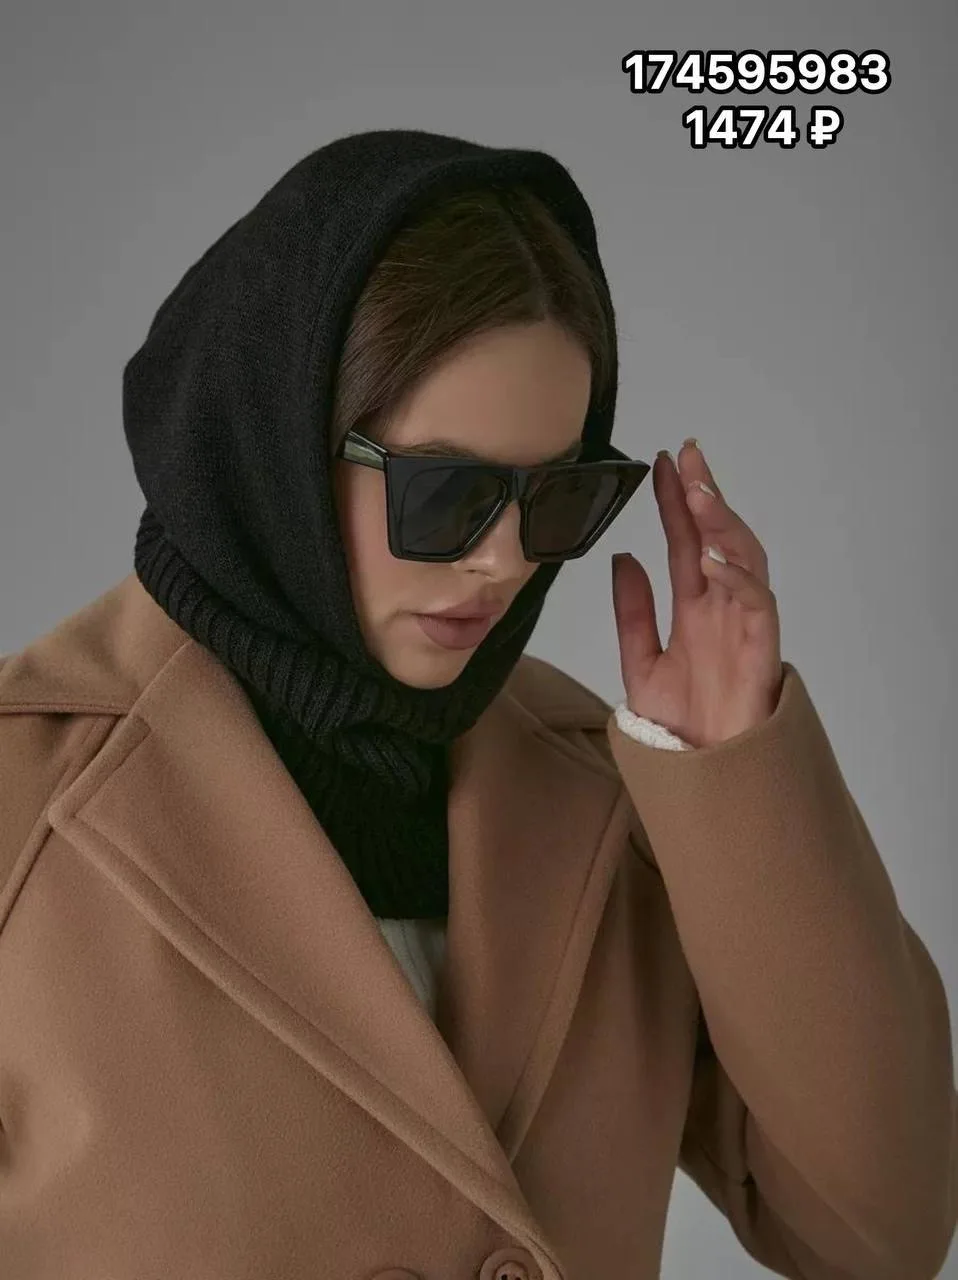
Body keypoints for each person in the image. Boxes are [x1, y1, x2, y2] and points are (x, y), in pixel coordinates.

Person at [0, 128, 954, 1280]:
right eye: (446, 491)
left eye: (555, 496)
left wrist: (740, 771)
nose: (504, 561)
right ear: (276, 441)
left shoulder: (612, 804)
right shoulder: (25, 810)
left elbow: (876, 1236)